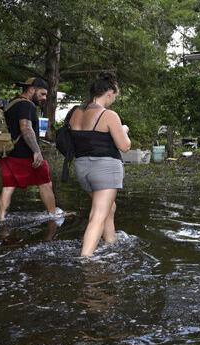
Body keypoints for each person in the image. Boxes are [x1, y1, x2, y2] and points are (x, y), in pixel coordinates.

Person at [69, 72, 131, 257]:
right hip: (104, 168)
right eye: (115, 96)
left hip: (82, 168)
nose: (114, 100)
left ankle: (111, 243)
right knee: (97, 215)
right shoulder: (109, 115)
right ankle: (86, 259)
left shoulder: (76, 113)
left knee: (109, 208)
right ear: (109, 93)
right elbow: (125, 146)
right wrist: (124, 130)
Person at [0, 76, 65, 221]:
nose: (44, 98)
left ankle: (1, 219)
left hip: (8, 153)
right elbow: (26, 129)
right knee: (45, 183)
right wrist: (36, 151)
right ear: (32, 90)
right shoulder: (27, 105)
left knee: (8, 187)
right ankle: (53, 215)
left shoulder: (11, 104)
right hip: (24, 155)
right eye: (42, 94)